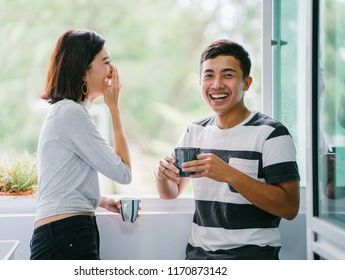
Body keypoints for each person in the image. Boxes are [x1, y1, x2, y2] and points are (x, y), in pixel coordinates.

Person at [155, 39, 300, 260]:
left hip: (252, 258)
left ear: (247, 83)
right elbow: (170, 193)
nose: (216, 85)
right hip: (198, 257)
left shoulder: (271, 133)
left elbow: (290, 207)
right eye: (209, 75)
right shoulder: (194, 131)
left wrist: (230, 175)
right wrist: (161, 174)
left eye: (228, 75)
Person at [30, 29, 132, 260]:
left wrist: (101, 201)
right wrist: (114, 108)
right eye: (106, 62)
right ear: (83, 70)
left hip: (65, 232)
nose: (112, 71)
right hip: (66, 235)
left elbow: (62, 179)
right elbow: (124, 172)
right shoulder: (70, 113)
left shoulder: (69, 112)